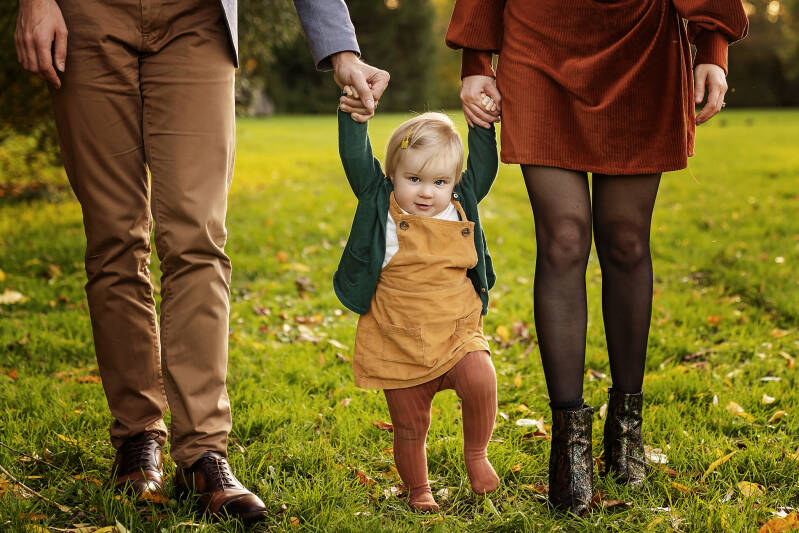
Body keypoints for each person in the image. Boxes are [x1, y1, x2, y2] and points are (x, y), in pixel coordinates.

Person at [14, 0, 388, 524]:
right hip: (88, 14)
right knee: (113, 238)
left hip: (198, 19)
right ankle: (137, 438)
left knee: (198, 239)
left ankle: (202, 454)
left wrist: (341, 49)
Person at [446, 0, 748, 515]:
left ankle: (626, 433)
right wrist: (477, 61)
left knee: (627, 240)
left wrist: (712, 46)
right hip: (538, 40)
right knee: (563, 238)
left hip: (641, 44)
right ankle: (570, 449)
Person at [336, 88, 499, 511]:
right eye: (414, 180)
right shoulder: (378, 201)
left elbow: (484, 164)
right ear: (392, 175)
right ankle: (418, 490)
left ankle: (476, 454)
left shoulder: (460, 203)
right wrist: (355, 119)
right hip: (397, 335)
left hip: (456, 327)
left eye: (440, 182)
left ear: (454, 183)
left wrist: (482, 125)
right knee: (410, 426)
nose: (427, 193)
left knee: (481, 378)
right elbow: (356, 158)